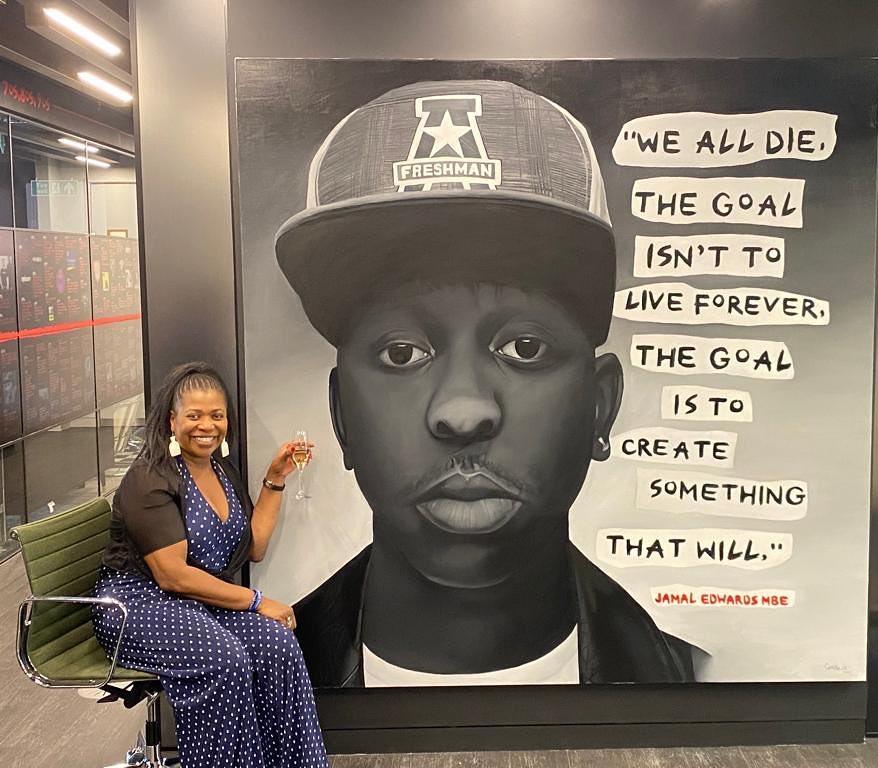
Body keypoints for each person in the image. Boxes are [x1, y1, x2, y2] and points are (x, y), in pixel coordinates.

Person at [275, 80, 702, 687]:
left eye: (525, 349)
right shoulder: (268, 679)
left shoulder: (696, 681)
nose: (463, 411)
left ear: (601, 406)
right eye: (402, 353)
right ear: (342, 415)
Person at [93, 362, 328, 767]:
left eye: (217, 415)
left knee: (278, 647)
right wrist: (257, 601)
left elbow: (254, 547)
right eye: (194, 415)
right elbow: (172, 575)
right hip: (136, 604)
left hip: (196, 602)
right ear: (172, 421)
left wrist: (275, 477)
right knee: (224, 660)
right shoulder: (150, 478)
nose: (207, 425)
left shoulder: (220, 470)